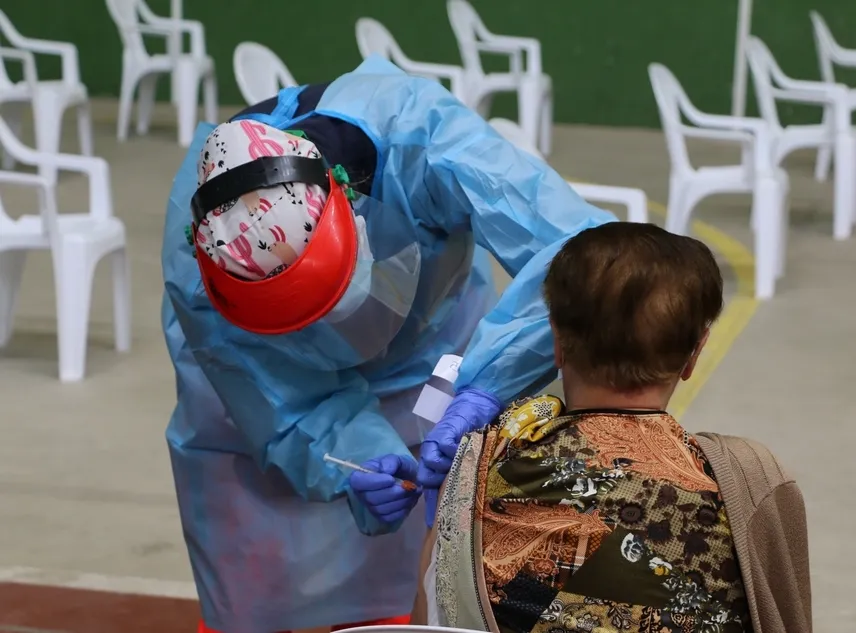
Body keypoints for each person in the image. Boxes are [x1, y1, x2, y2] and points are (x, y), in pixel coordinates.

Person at [161, 55, 616, 633]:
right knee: (264, 569)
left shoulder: (421, 135)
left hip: (434, 347)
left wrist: (482, 386)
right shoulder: (202, 263)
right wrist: (351, 464)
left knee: (421, 564)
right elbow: (279, 397)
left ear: (348, 201)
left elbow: (581, 254)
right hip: (266, 391)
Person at [411, 222, 812, 633]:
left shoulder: (474, 472)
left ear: (557, 343)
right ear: (695, 353)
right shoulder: (748, 481)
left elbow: (427, 619)